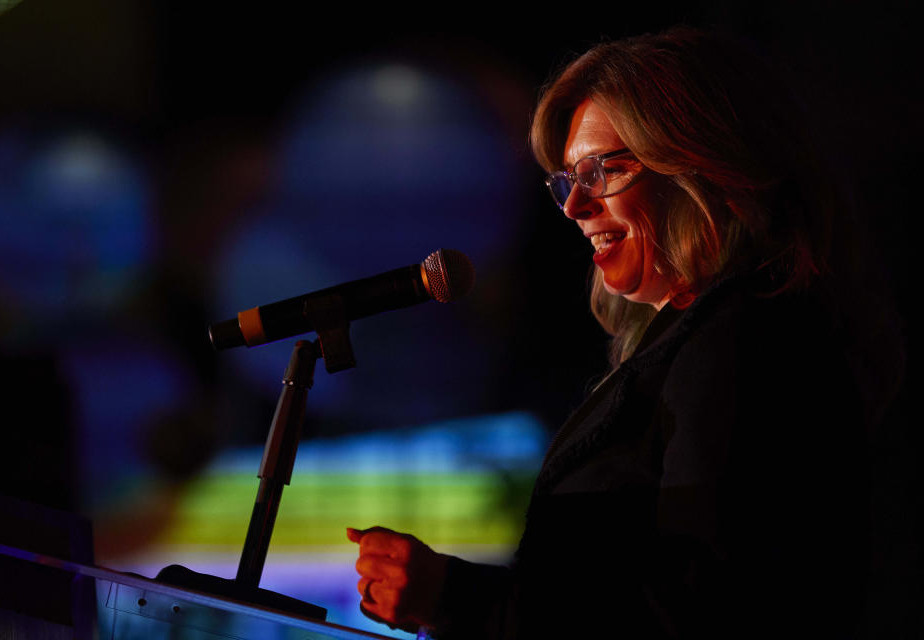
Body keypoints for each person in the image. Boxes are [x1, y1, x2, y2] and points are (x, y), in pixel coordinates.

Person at [348, 27, 902, 639]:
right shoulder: (706, 339)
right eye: (566, 179)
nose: (573, 207)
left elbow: (698, 612)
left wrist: (456, 597)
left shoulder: (742, 343)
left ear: (700, 163)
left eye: (602, 170)